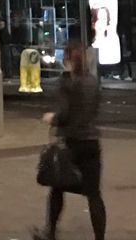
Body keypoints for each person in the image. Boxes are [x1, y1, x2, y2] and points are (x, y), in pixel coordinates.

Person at [34, 41, 106, 240]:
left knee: (57, 188)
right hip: (91, 142)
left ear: (67, 59)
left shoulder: (67, 82)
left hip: (71, 143)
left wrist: (52, 118)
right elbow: (95, 108)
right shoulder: (93, 81)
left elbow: (64, 113)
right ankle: (100, 237)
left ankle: (50, 232)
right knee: (94, 194)